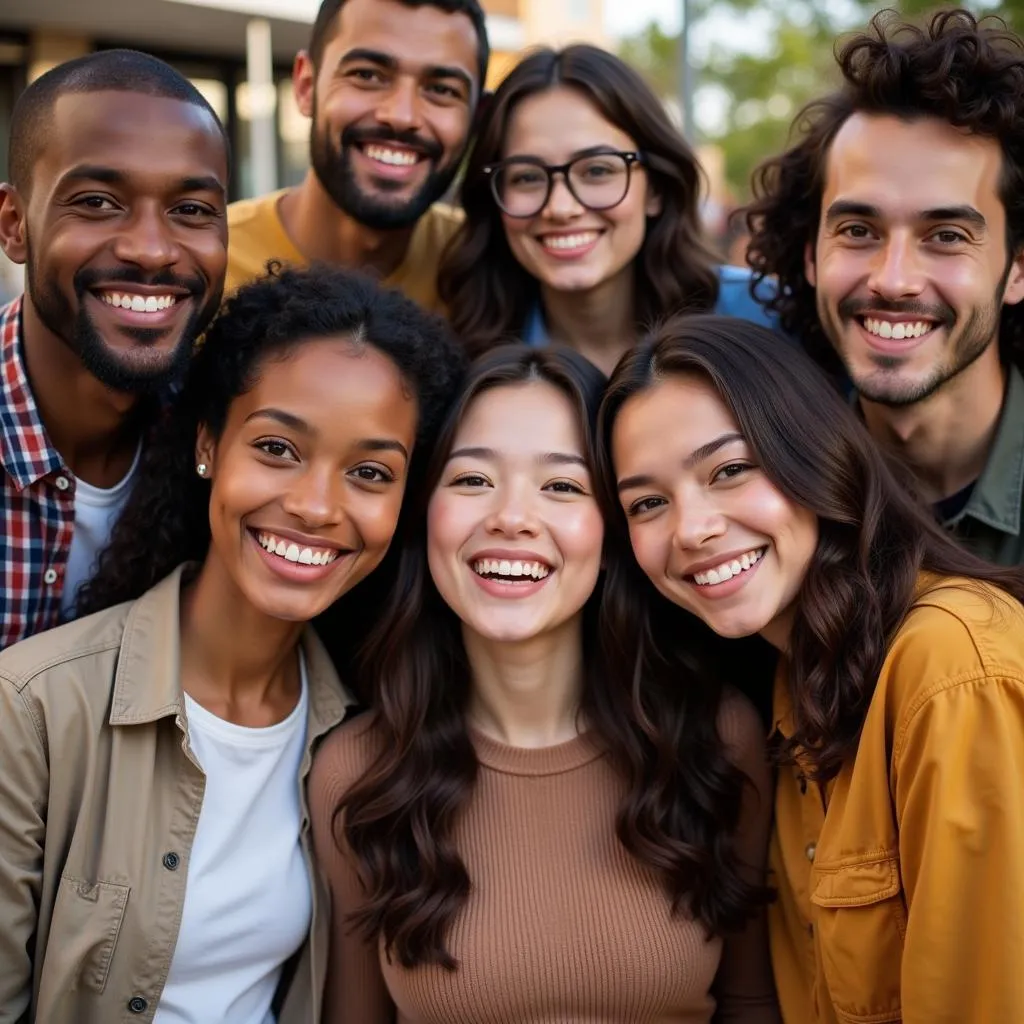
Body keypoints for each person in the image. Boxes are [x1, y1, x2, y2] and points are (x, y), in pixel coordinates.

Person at [0, 266, 466, 1024]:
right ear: (209, 444)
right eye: (279, 448)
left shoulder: (371, 735)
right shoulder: (33, 710)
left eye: (370, 472)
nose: (316, 506)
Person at [310, 345, 780, 1022]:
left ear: (614, 532)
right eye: (472, 480)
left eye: (561, 486)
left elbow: (750, 1001)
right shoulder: (359, 773)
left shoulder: (714, 738)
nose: (510, 517)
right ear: (423, 516)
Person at [601, 313, 1024, 1024]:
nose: (692, 528)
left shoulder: (949, 666)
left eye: (730, 469)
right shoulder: (791, 687)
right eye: (648, 503)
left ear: (814, 455)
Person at [745, 9, 1024, 565]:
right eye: (857, 230)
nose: (892, 279)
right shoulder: (760, 498)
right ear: (809, 254)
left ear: (1017, 268)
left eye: (945, 235)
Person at [0, 49, 230, 649]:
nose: (153, 250)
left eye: (191, 210)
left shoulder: (229, 440)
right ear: (14, 225)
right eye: (98, 202)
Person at [438, 45, 777, 375]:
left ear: (656, 188)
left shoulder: (765, 316)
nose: (560, 208)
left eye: (597, 171)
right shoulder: (461, 360)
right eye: (527, 177)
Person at [225, 0, 488, 313]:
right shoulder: (207, 264)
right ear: (306, 87)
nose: (402, 116)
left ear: (476, 117)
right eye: (367, 75)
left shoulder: (485, 268)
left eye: (442, 90)